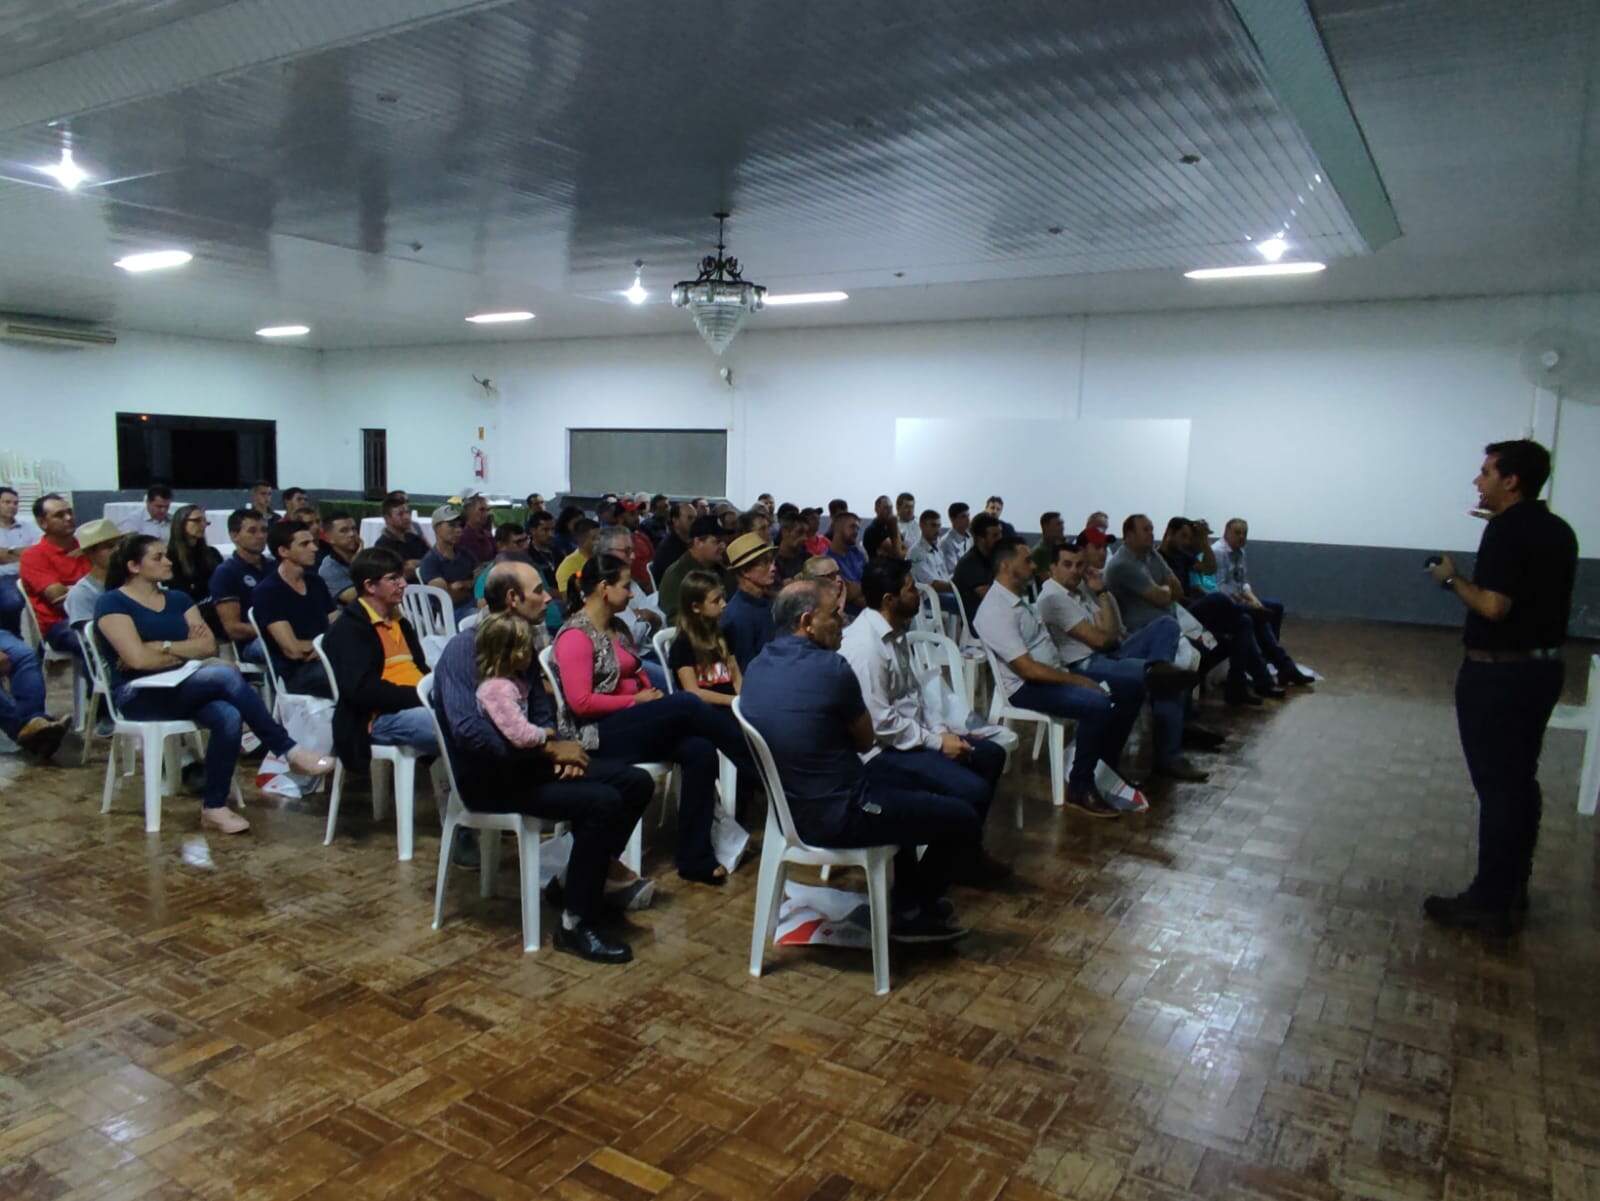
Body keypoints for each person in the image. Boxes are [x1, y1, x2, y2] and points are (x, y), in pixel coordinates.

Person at [432, 560, 654, 962]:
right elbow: (469, 732)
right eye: (538, 590)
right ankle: (575, 924)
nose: (548, 597)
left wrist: (555, 745)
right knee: (601, 802)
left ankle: (572, 883)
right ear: (513, 599)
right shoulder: (465, 648)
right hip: (491, 779)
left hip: (528, 765)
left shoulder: (522, 641)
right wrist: (546, 751)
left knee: (635, 783)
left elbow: (540, 707)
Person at [742, 580, 977, 942]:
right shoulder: (832, 669)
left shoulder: (758, 665)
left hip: (790, 806)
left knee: (906, 787)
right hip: (840, 812)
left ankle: (908, 901)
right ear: (807, 622)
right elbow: (866, 739)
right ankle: (912, 913)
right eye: (834, 614)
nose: (844, 620)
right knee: (961, 816)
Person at [1423, 439, 1578, 935]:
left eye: (1486, 471)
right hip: (1541, 671)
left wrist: (1449, 580)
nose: (1478, 480)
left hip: (1500, 677)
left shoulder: (1508, 532)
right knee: (1519, 782)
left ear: (1511, 480)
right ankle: (1512, 884)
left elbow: (1493, 606)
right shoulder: (1556, 530)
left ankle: (1489, 901)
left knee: (1498, 787)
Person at [93, 534, 333, 833]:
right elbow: (138, 660)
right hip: (138, 695)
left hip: (183, 685)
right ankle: (288, 749)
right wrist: (179, 649)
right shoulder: (113, 602)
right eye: (158, 557)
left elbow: (208, 647)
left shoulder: (178, 599)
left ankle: (214, 806)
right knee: (224, 673)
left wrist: (163, 646)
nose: (168, 562)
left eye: (167, 555)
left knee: (228, 714)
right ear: (133, 566)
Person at [552, 554, 750, 885]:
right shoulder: (576, 635)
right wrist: (637, 699)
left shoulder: (615, 628)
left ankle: (694, 857)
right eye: (626, 586)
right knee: (688, 703)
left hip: (628, 723)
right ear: (603, 588)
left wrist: (647, 692)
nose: (632, 594)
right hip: (595, 735)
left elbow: (637, 671)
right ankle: (757, 765)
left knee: (699, 749)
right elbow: (581, 703)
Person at [839, 558, 1011, 885]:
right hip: (881, 753)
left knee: (991, 754)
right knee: (971, 789)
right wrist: (935, 742)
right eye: (910, 588)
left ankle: (962, 855)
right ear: (889, 601)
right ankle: (931, 879)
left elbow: (915, 695)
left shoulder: (895, 632)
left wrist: (942, 731)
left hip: (909, 737)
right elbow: (880, 723)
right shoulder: (866, 648)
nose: (918, 593)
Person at [974, 538, 1134, 817]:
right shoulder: (995, 610)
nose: (1034, 565)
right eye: (1027, 560)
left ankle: (1104, 772)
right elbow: (1028, 670)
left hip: (1054, 672)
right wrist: (1080, 681)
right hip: (1027, 687)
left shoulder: (1016, 600)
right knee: (1097, 705)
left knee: (1128, 688)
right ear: (1005, 565)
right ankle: (1080, 787)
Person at [1037, 540, 1208, 782]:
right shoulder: (1053, 598)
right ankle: (1166, 752)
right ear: (1053, 568)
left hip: (1110, 653)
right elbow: (1100, 640)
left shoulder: (1081, 590)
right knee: (1156, 683)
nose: (1075, 570)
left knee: (1166, 625)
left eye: (1079, 565)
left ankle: (1158, 669)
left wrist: (1101, 591)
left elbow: (1114, 630)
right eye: (1067, 565)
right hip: (1086, 665)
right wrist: (1106, 632)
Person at [321, 547, 450, 847]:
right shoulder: (350, 629)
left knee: (472, 718)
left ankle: (470, 808)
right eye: (393, 579)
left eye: (401, 577)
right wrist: (421, 698)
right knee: (449, 727)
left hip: (413, 704)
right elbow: (360, 692)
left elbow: (418, 668)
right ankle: (468, 817)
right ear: (370, 586)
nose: (403, 584)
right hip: (374, 719)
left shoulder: (400, 621)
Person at [1106, 514, 1281, 707]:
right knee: (1218, 600)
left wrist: (1203, 542)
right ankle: (1245, 614)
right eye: (1145, 530)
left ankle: (1239, 687)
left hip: (1177, 614)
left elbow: (1185, 584)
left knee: (1244, 623)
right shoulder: (1127, 564)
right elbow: (1164, 595)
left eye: (1151, 529)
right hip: (1156, 624)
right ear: (1129, 535)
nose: (1151, 534)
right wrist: (1166, 589)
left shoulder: (1153, 555)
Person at [1211, 518, 1314, 686]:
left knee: (1273, 607)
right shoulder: (1218, 552)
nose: (1242, 537)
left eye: (1245, 533)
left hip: (1240, 598)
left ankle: (1270, 659)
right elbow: (1220, 586)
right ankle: (1281, 665)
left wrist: (1254, 599)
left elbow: (1243, 582)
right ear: (1226, 532)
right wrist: (1247, 603)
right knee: (1259, 616)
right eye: (1237, 533)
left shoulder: (1241, 552)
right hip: (1226, 602)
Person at [250, 521, 337, 697]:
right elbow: (293, 650)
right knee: (351, 673)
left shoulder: (316, 582)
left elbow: (338, 626)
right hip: (295, 674)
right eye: (305, 544)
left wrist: (326, 647)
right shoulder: (268, 592)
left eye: (313, 542)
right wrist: (328, 646)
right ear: (283, 551)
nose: (314, 548)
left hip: (326, 659)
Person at [19, 493, 90, 659]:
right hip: (60, 624)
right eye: (60, 515)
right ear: (42, 523)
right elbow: (61, 601)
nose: (69, 517)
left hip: (97, 613)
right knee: (98, 640)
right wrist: (95, 589)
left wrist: (77, 590)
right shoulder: (34, 555)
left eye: (70, 512)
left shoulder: (88, 547)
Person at [208, 509, 270, 662]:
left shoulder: (275, 566)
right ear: (234, 535)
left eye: (264, 530)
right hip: (253, 643)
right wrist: (278, 630)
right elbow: (233, 629)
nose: (261, 536)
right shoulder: (226, 572)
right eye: (252, 531)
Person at [720, 532, 777, 671]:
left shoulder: (769, 602)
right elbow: (746, 668)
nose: (773, 568)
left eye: (772, 561)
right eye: (765, 563)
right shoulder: (737, 617)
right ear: (745, 571)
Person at [416, 503, 478, 624]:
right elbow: (446, 599)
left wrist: (463, 585)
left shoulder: (465, 553)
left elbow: (480, 578)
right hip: (451, 615)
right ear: (436, 528)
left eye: (460, 526)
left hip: (473, 605)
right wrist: (471, 585)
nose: (459, 530)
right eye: (451, 525)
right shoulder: (430, 561)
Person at [658, 515, 725, 620]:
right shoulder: (677, 575)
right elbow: (675, 619)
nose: (723, 546)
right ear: (698, 542)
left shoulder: (719, 568)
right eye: (716, 542)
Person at [63, 518, 122, 627]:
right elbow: (90, 639)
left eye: (120, 545)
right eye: (110, 546)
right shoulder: (82, 594)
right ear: (90, 553)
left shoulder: (133, 581)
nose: (118, 550)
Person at [0, 485, 39, 635]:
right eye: (7, 502)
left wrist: (8, 551)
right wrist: (20, 551)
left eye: (15, 503)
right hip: (5, 576)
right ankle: (12, 637)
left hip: (29, 572)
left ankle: (45, 646)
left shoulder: (27, 526)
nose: (12, 506)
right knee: (12, 602)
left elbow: (39, 551)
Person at [952, 511, 1002, 626]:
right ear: (981, 539)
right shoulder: (970, 563)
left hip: (991, 617)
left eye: (1000, 534)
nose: (1000, 539)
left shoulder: (991, 558)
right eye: (995, 536)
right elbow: (990, 598)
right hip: (978, 623)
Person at [165, 504, 222, 602]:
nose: (203, 525)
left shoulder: (212, 553)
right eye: (197, 521)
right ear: (181, 523)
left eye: (205, 521)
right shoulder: (169, 557)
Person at [909, 508, 958, 613]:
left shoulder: (937, 550)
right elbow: (933, 584)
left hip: (944, 593)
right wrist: (958, 587)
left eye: (939, 526)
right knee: (967, 601)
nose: (937, 530)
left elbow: (945, 577)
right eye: (933, 525)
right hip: (929, 598)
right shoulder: (916, 552)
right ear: (922, 525)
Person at [374, 492, 430, 582]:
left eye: (408, 512)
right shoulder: (383, 545)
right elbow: (402, 573)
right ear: (387, 518)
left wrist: (417, 563)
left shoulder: (413, 538)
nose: (406, 517)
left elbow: (433, 560)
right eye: (400, 514)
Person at [318, 510, 362, 606]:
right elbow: (358, 600)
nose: (352, 534)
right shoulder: (328, 569)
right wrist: (359, 564)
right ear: (328, 538)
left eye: (354, 529)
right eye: (344, 530)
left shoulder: (367, 557)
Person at [826, 511, 867, 613]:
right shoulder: (827, 561)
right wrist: (864, 587)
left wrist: (857, 588)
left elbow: (873, 582)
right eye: (852, 527)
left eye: (858, 528)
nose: (856, 531)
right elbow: (847, 592)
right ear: (838, 528)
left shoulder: (858, 555)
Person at [650, 501, 695, 584]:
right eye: (690, 518)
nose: (694, 522)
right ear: (675, 520)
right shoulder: (668, 549)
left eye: (695, 518)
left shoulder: (693, 542)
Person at [554, 517, 599, 599]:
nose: (599, 542)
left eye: (600, 537)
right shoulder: (566, 567)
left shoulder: (605, 556)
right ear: (581, 539)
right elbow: (568, 599)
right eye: (595, 538)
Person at [773, 513, 810, 583]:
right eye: (800, 532)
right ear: (785, 532)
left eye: (806, 533)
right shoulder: (770, 561)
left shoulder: (808, 559)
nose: (805, 538)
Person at [1029, 511, 1067, 580]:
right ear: (1046, 527)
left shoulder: (1063, 548)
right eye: (1058, 524)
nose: (1062, 528)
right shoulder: (1039, 552)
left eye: (1062, 524)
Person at [940, 501, 972, 574]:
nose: (968, 520)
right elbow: (952, 572)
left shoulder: (970, 538)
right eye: (963, 516)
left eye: (968, 516)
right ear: (952, 519)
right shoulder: (946, 542)